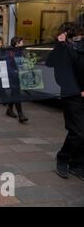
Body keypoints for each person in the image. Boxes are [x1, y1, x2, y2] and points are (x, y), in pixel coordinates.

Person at [47, 23, 84, 180]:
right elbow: (53, 65)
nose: (78, 40)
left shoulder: (79, 49)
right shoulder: (64, 49)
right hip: (72, 96)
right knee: (78, 132)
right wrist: (60, 46)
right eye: (74, 37)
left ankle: (77, 164)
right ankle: (63, 157)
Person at [6, 37, 29, 123]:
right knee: (16, 94)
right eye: (21, 42)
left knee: (14, 93)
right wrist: (15, 72)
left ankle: (9, 110)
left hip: (19, 76)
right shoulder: (9, 52)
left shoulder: (21, 51)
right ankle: (21, 114)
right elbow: (8, 66)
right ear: (16, 43)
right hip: (13, 77)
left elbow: (23, 63)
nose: (23, 43)